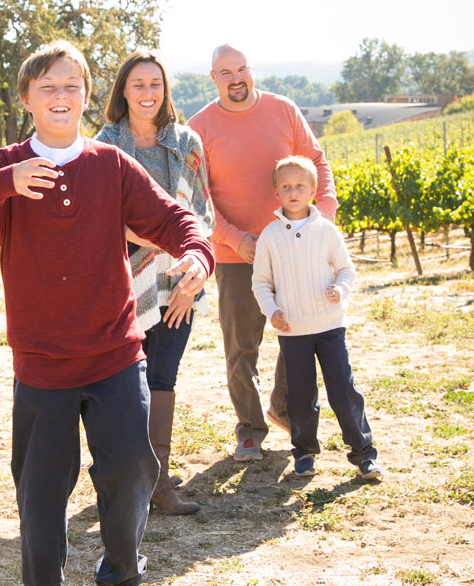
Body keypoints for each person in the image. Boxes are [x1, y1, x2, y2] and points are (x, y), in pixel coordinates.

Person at [0, 40, 214, 586]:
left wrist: (197, 253)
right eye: (48, 87)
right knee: (40, 492)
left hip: (116, 355)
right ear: (27, 100)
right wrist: (4, 183)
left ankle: (123, 579)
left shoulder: (109, 166)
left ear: (88, 97)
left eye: (72, 86)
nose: (61, 96)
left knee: (130, 472)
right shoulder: (6, 165)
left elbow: (174, 218)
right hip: (42, 365)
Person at [189, 44, 337, 462]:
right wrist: (237, 239)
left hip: (295, 247)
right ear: (213, 78)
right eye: (224, 72)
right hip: (237, 255)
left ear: (251, 71)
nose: (235, 78)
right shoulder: (199, 126)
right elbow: (198, 198)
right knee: (241, 348)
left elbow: (317, 163)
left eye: (241, 70)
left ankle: (282, 408)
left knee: (301, 333)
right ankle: (250, 429)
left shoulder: (284, 110)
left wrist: (321, 216)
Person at [96, 50, 214, 516]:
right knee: (124, 382)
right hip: (121, 281)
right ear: (123, 90)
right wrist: (162, 241)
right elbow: (106, 218)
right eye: (138, 84)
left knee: (164, 376)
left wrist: (190, 279)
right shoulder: (104, 145)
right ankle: (123, 484)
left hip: (182, 278)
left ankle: (159, 487)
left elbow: (201, 213)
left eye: (156, 84)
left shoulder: (187, 142)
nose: (148, 93)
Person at [251, 156, 383, 480]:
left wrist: (340, 289)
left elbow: (346, 270)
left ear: (312, 190)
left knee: (343, 389)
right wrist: (272, 311)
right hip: (293, 329)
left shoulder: (326, 230)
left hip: (329, 326)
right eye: (286, 186)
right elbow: (261, 283)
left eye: (300, 186)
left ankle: (364, 454)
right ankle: (304, 453)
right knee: (299, 395)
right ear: (276, 192)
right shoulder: (269, 236)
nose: (293, 192)